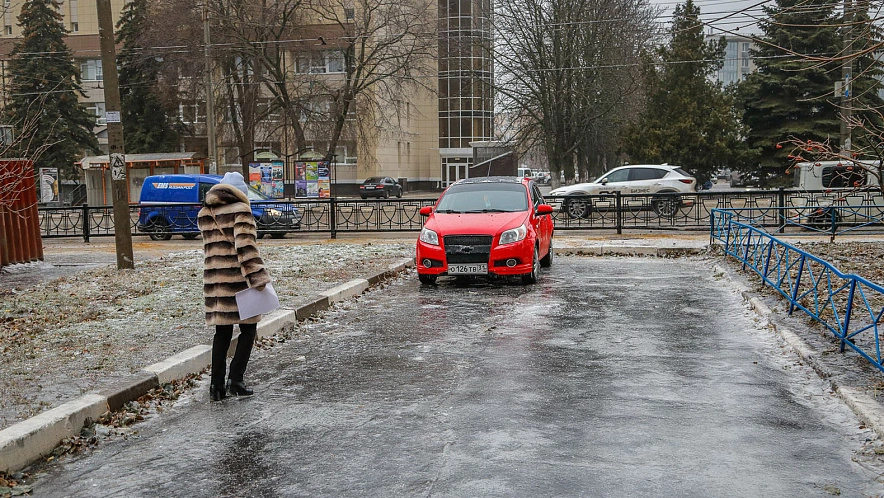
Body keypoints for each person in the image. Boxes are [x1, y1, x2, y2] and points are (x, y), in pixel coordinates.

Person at [197, 171, 271, 401]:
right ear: (240, 192)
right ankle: (236, 380)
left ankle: (216, 386)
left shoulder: (205, 212)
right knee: (248, 330)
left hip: (215, 281)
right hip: (238, 281)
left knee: (222, 332)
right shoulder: (241, 211)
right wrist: (258, 278)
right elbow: (246, 248)